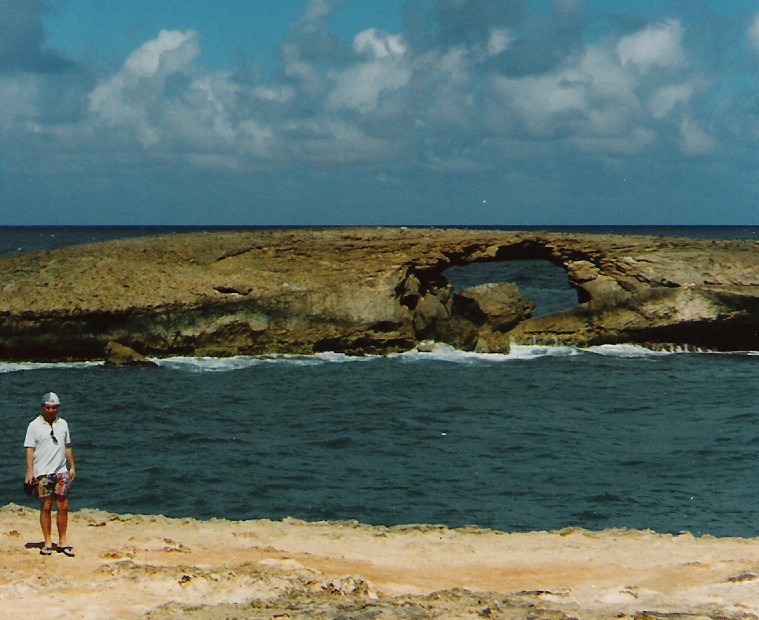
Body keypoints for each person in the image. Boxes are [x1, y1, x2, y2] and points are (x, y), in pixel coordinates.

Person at [24, 392, 77, 557]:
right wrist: (30, 471)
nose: (51, 410)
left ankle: (62, 542)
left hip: (61, 471)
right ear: (43, 407)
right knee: (46, 506)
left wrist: (72, 467)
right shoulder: (34, 425)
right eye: (48, 407)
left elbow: (67, 446)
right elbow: (30, 450)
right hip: (43, 473)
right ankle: (47, 543)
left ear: (58, 408)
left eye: (54, 407)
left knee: (63, 507)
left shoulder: (63, 424)